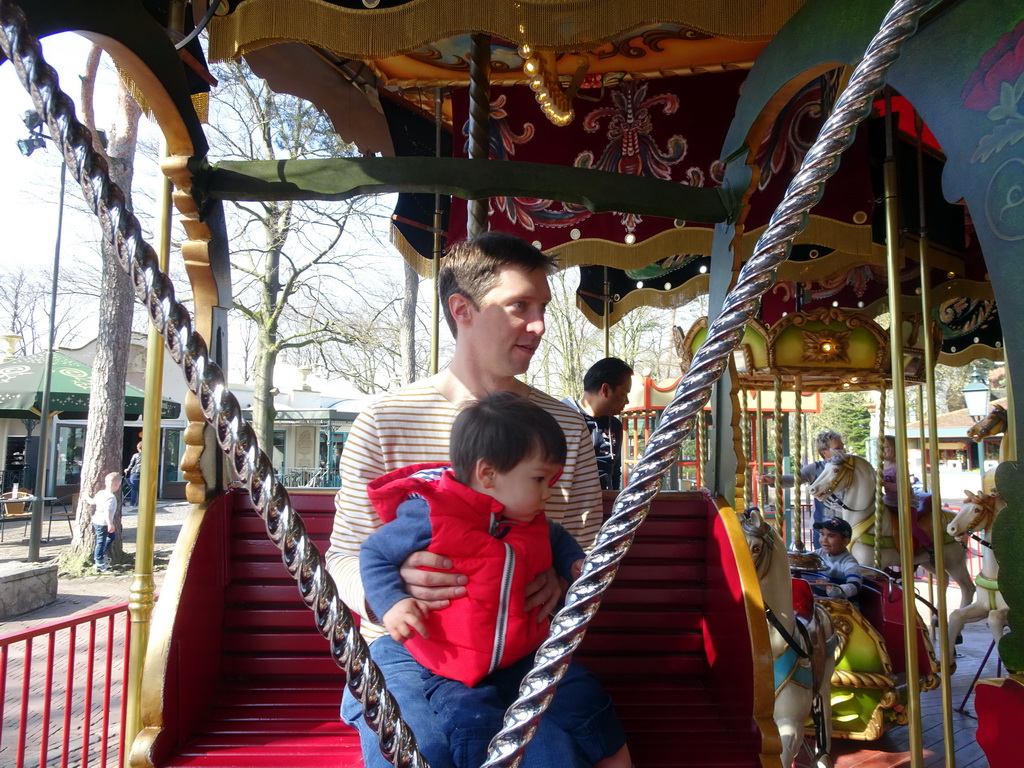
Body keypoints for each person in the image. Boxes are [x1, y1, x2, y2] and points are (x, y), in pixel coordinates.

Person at [326, 232, 603, 768]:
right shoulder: (384, 420)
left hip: (521, 645)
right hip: (405, 645)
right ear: (463, 310)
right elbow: (340, 558)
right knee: (416, 748)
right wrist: (390, 590)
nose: (540, 325)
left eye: (543, 307)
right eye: (520, 305)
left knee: (549, 756)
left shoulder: (564, 424)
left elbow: (591, 548)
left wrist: (567, 580)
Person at [361, 392, 630, 768]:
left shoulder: (529, 519)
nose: (547, 492)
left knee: (581, 694)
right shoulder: (430, 516)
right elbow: (373, 553)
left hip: (523, 652)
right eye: (539, 480)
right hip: (452, 660)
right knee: (469, 719)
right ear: (487, 474)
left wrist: (571, 566)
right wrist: (391, 601)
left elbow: (558, 538)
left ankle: (616, 757)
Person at [761, 429, 845, 548]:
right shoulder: (815, 468)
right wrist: (774, 479)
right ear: (825, 452)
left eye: (842, 447)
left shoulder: (849, 468)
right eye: (838, 448)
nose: (843, 451)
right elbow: (794, 478)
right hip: (824, 525)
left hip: (848, 523)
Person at [563, 357, 633, 490]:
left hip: (605, 505)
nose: (627, 401)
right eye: (624, 394)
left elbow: (614, 472)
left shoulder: (615, 426)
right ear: (605, 389)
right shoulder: (561, 419)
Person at [881, 435, 932, 548]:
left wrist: (885, 484)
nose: (882, 450)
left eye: (886, 447)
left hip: (905, 501)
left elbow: (904, 488)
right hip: (889, 501)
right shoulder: (882, 466)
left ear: (895, 449)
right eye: (880, 447)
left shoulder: (899, 466)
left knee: (910, 526)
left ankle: (930, 547)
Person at [809, 516, 862, 600]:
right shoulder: (818, 554)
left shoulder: (849, 562)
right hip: (819, 600)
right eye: (822, 534)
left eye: (831, 536)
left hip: (841, 606)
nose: (824, 540)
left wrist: (837, 589)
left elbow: (855, 586)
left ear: (845, 541)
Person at [83, 471, 120, 572]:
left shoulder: (100, 493)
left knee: (110, 537)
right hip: (103, 522)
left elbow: (92, 502)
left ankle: (102, 554)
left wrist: (86, 496)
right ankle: (99, 562)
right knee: (101, 541)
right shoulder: (111, 497)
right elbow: (107, 511)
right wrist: (110, 524)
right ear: (116, 484)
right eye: (119, 485)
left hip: (97, 520)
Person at [124, 442, 142, 506]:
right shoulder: (148, 455)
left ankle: (132, 503)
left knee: (134, 488)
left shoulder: (135, 455)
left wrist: (127, 470)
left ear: (138, 448)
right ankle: (141, 502)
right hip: (144, 473)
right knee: (142, 489)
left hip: (135, 472)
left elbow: (131, 465)